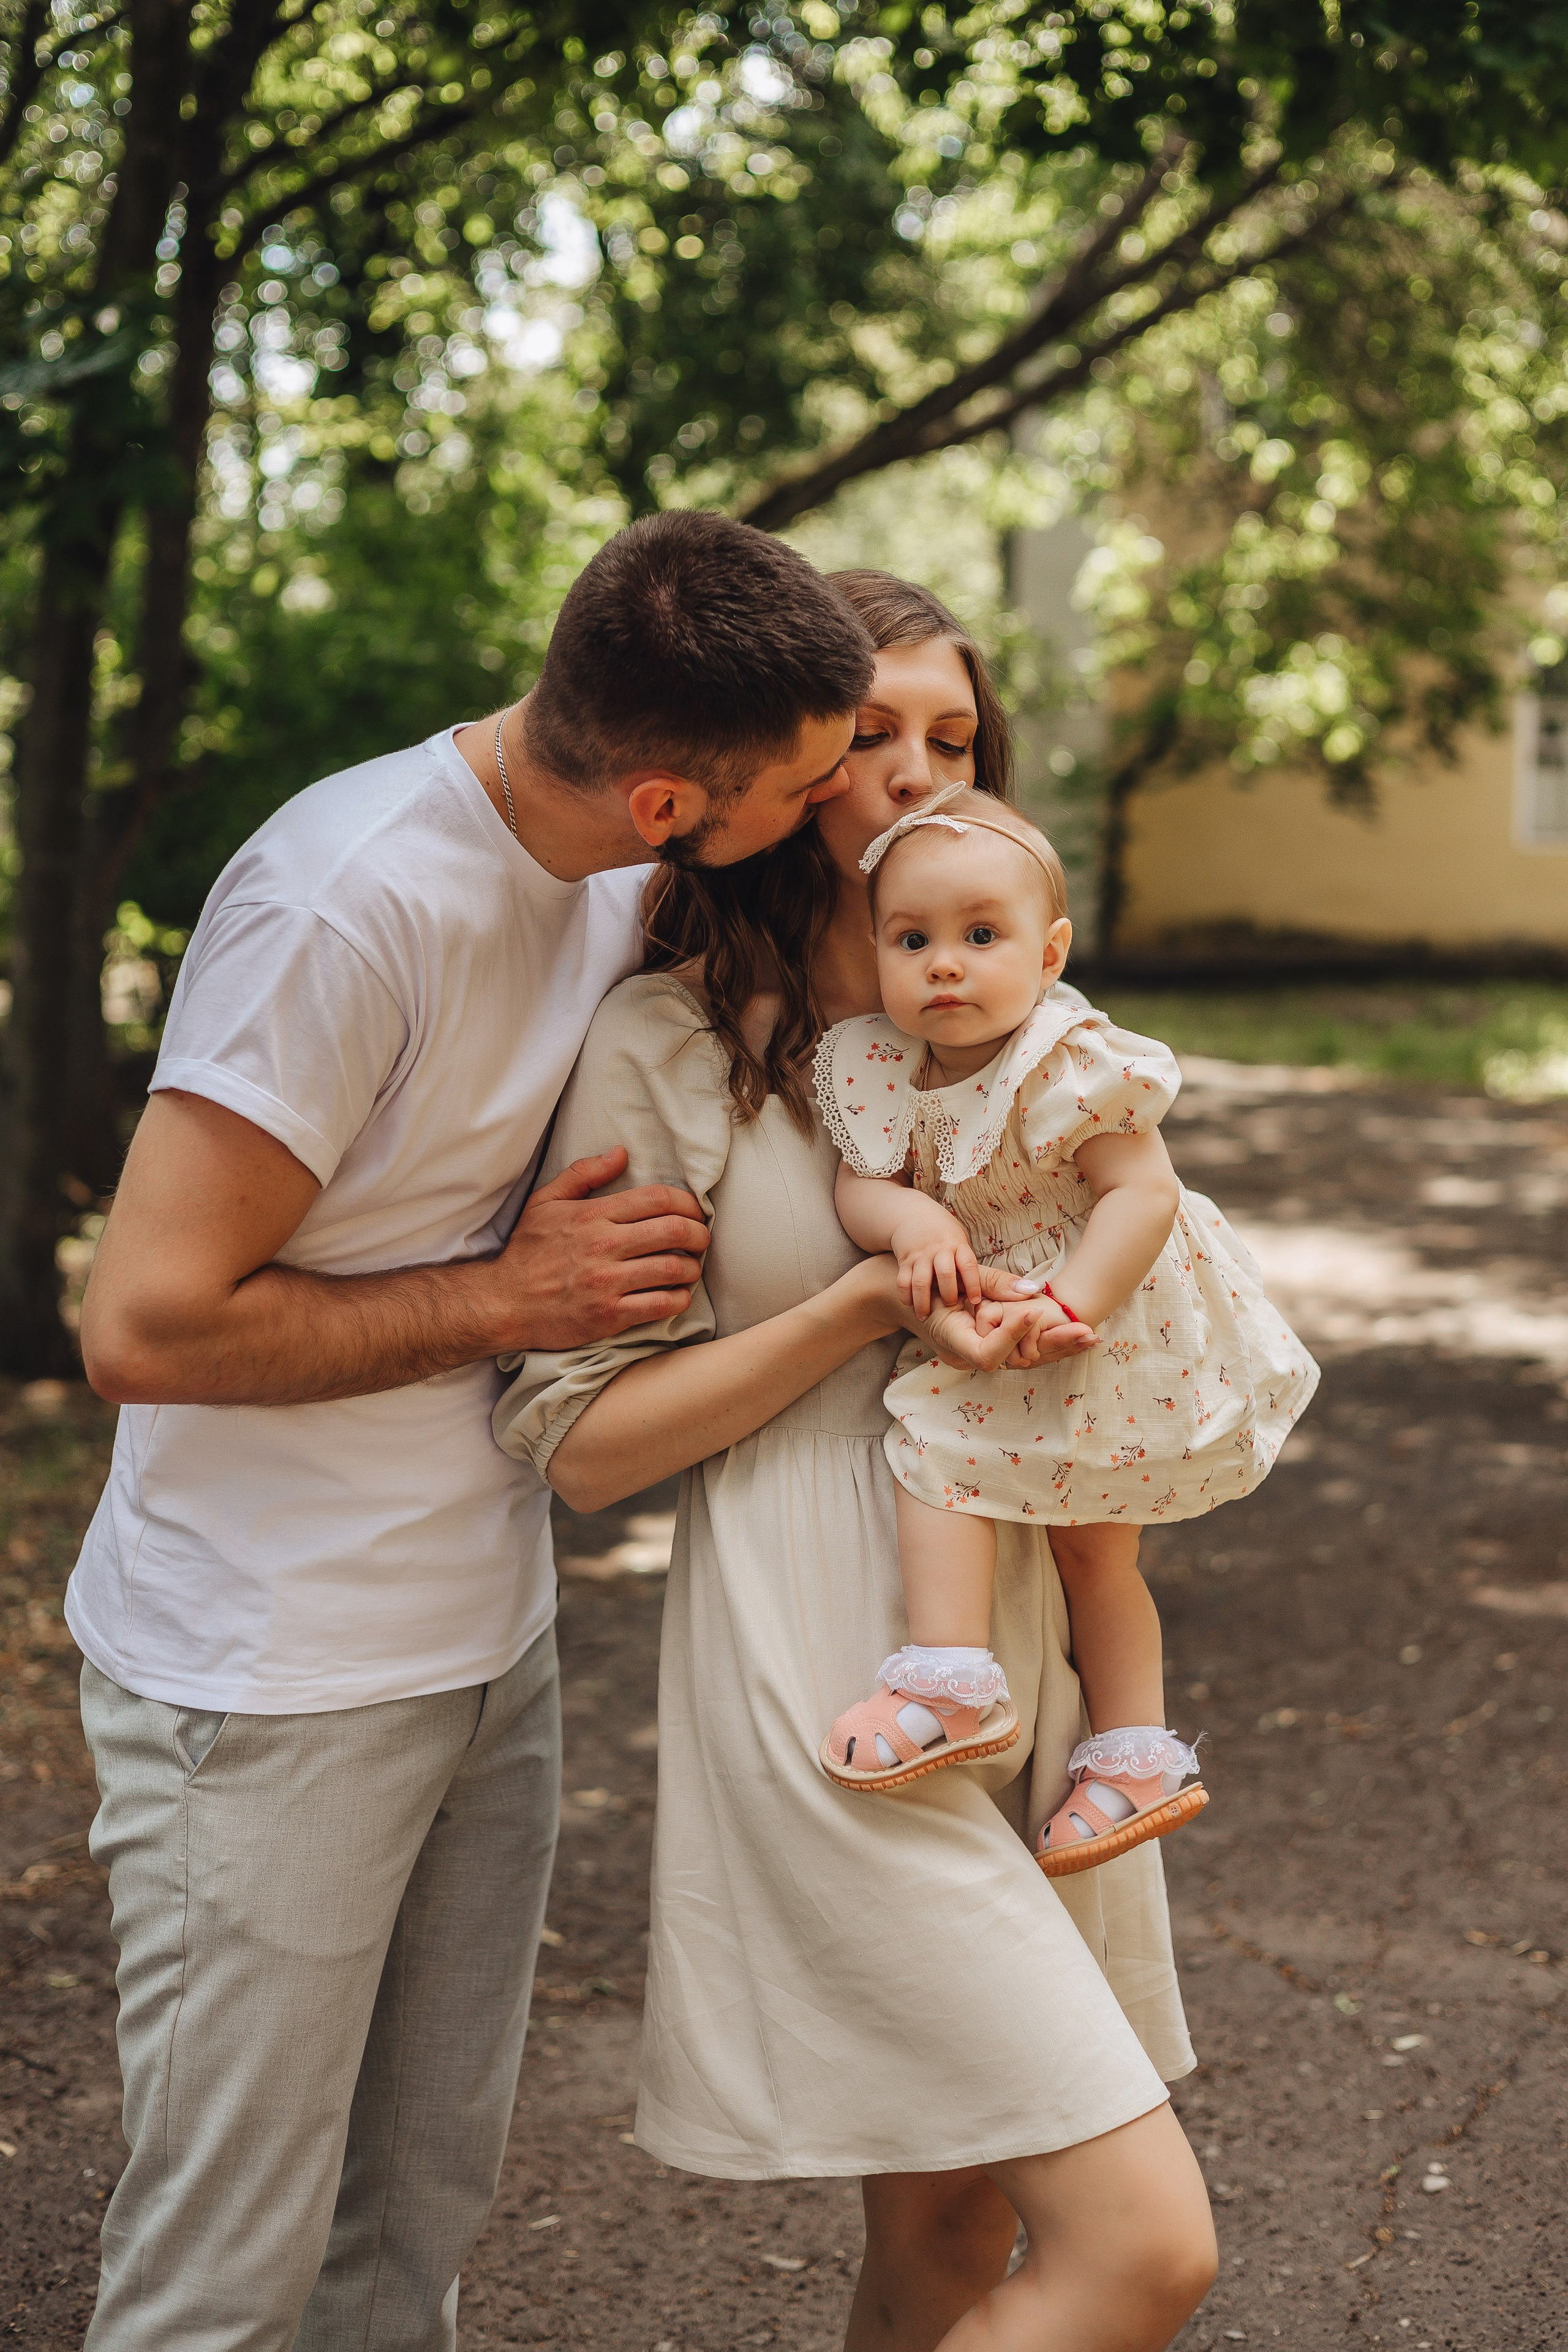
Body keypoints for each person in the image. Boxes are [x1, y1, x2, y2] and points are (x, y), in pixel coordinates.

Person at [66, 511, 876, 2351]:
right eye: (809, 784)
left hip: (482, 1640)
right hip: (265, 1678)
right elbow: (141, 1323)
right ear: (674, 797)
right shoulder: (343, 904)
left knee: (406, 2234)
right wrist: (510, 1301)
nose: (830, 809)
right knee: (225, 2278)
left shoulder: (609, 865)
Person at [494, 571, 1219, 2352]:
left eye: (952, 739)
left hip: (1015, 1628)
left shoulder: (1030, 1034)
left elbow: (1144, 1289)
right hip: (825, 1670)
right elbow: (581, 1449)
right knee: (1143, 2249)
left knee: (953, 2228)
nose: (910, 773)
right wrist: (862, 1309)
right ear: (789, 759)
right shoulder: (670, 1045)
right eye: (870, 736)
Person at [815, 784, 1318, 1869]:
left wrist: (1071, 1301)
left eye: (981, 935)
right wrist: (909, 1219)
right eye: (914, 939)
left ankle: (1130, 1751)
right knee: (942, 1458)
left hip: (1108, 1322)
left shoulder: (1072, 1060)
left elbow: (1144, 1196)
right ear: (876, 952)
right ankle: (962, 1684)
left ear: (1049, 954)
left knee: (1095, 1549)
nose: (945, 964)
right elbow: (860, 1187)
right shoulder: (878, 1068)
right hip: (1004, 1317)